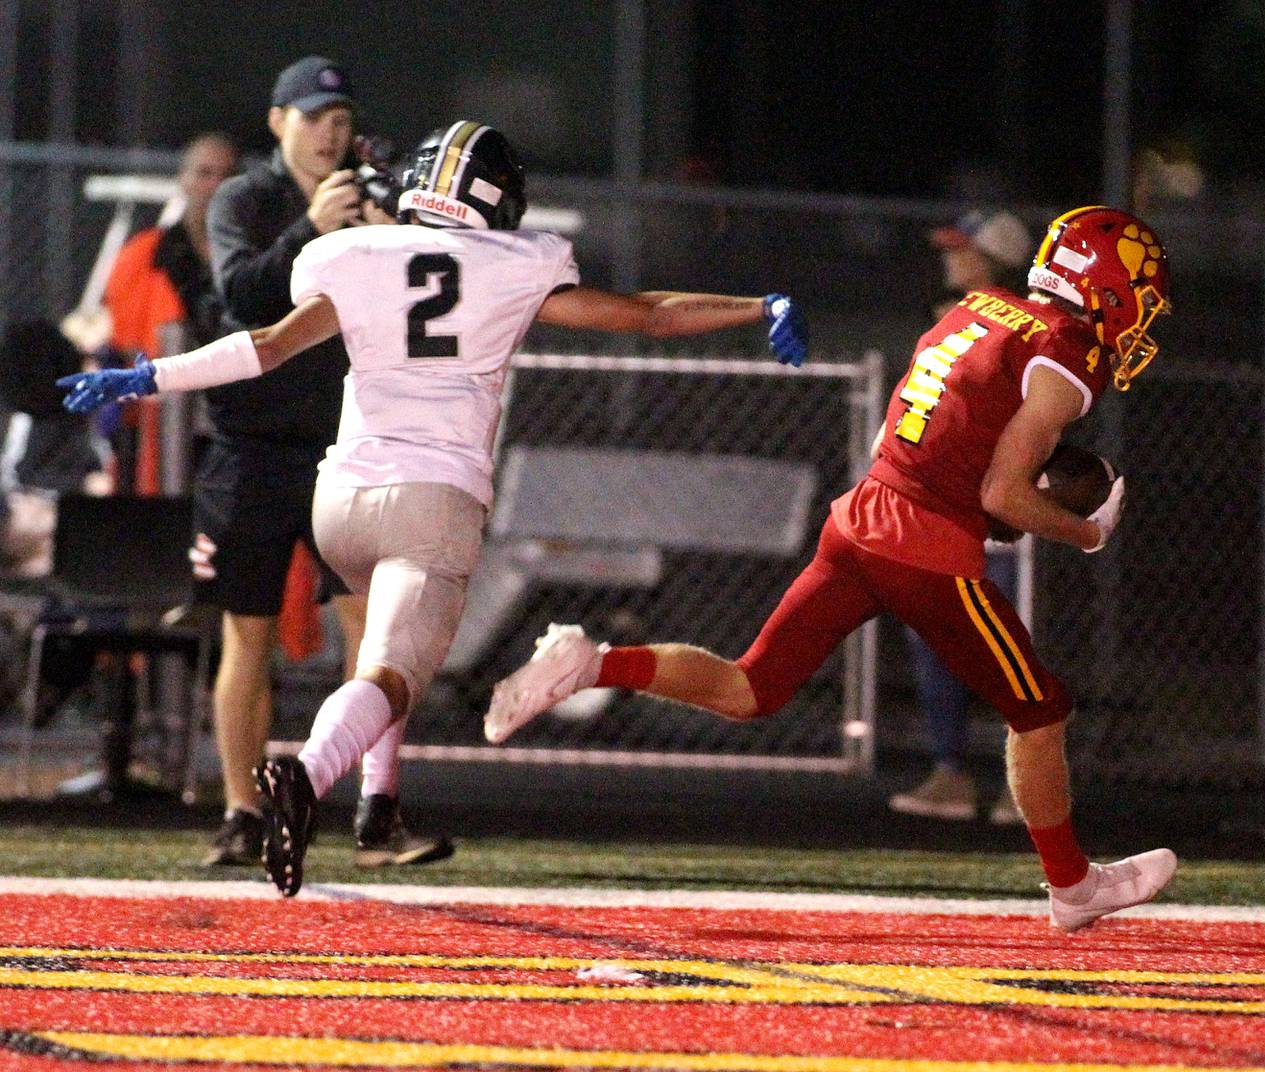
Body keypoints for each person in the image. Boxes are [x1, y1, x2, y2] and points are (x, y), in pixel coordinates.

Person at [59, 118, 809, 897]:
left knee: (389, 648)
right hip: (432, 498)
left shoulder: (353, 253)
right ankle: (307, 776)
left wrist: (149, 377)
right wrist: (757, 307)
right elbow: (649, 312)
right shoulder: (519, 261)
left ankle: (379, 809)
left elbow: (269, 345)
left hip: (341, 496)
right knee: (394, 671)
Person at [483, 206, 1177, 932]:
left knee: (750, 686)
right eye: (1139, 292)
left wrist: (967, 498)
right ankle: (1073, 887)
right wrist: (1083, 531)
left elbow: (903, 432)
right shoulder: (1069, 354)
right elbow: (1001, 492)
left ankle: (590, 664)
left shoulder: (977, 309)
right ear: (1105, 286)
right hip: (924, 547)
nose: (1141, 315)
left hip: (862, 517)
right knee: (1040, 712)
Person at [196, 56, 448, 870]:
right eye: (314, 119)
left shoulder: (364, 195)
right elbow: (243, 297)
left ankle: (374, 809)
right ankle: (242, 811)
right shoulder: (247, 198)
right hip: (252, 447)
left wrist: (385, 226)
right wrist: (312, 226)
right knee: (249, 632)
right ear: (279, 122)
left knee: (371, 630)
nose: (329, 135)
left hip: (344, 446)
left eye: (340, 121)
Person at [890, 209, 1033, 824]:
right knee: (935, 643)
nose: (950, 257)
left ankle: (1023, 787)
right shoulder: (949, 319)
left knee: (1012, 656)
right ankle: (951, 774)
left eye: (962, 249)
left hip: (1002, 522)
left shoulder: (1031, 328)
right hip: (944, 520)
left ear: (993, 258)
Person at [103, 132, 238, 496]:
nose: (215, 185)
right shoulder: (143, 256)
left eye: (225, 175)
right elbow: (124, 344)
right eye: (204, 173)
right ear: (183, 179)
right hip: (163, 425)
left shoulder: (253, 257)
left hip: (238, 421)